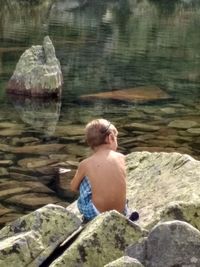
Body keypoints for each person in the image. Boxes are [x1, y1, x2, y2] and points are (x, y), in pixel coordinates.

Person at [70, 118, 139, 222]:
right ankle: (127, 212)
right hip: (120, 211)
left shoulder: (85, 164)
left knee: (85, 180)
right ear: (110, 138)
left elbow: (73, 187)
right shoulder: (122, 157)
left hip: (96, 213)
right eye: (116, 138)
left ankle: (89, 217)